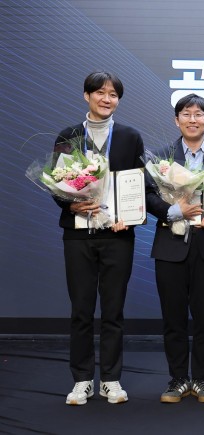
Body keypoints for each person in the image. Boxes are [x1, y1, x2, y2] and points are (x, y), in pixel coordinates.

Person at [56, 71, 145, 405]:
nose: (107, 99)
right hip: (78, 235)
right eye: (100, 93)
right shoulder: (69, 135)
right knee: (81, 310)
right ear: (87, 96)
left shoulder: (129, 137)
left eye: (113, 95)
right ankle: (82, 380)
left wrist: (130, 217)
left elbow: (140, 185)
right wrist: (72, 203)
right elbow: (57, 184)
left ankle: (110, 379)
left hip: (117, 236)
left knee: (113, 310)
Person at [146, 94, 204, 403]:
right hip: (170, 247)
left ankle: (201, 379)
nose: (192, 119)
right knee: (172, 318)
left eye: (199, 114)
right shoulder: (160, 156)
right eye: (186, 114)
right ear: (177, 120)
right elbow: (148, 196)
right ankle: (177, 378)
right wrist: (174, 211)